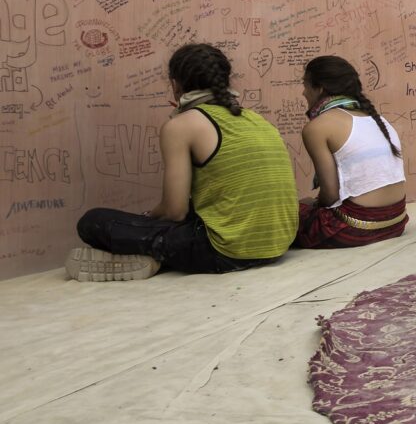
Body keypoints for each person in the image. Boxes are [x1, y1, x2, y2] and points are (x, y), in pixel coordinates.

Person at [68, 43, 299, 281]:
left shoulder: (182, 125)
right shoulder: (257, 119)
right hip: (278, 245)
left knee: (93, 221)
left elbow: (175, 211)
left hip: (227, 252)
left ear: (175, 84)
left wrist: (147, 218)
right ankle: (157, 256)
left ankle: (151, 255)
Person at [294, 55, 409, 248]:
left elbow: (330, 196)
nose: (303, 93)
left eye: (305, 85)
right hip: (396, 221)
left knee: (288, 214)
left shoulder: (318, 127)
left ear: (320, 88)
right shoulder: (378, 120)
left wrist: (311, 204)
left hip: (354, 229)